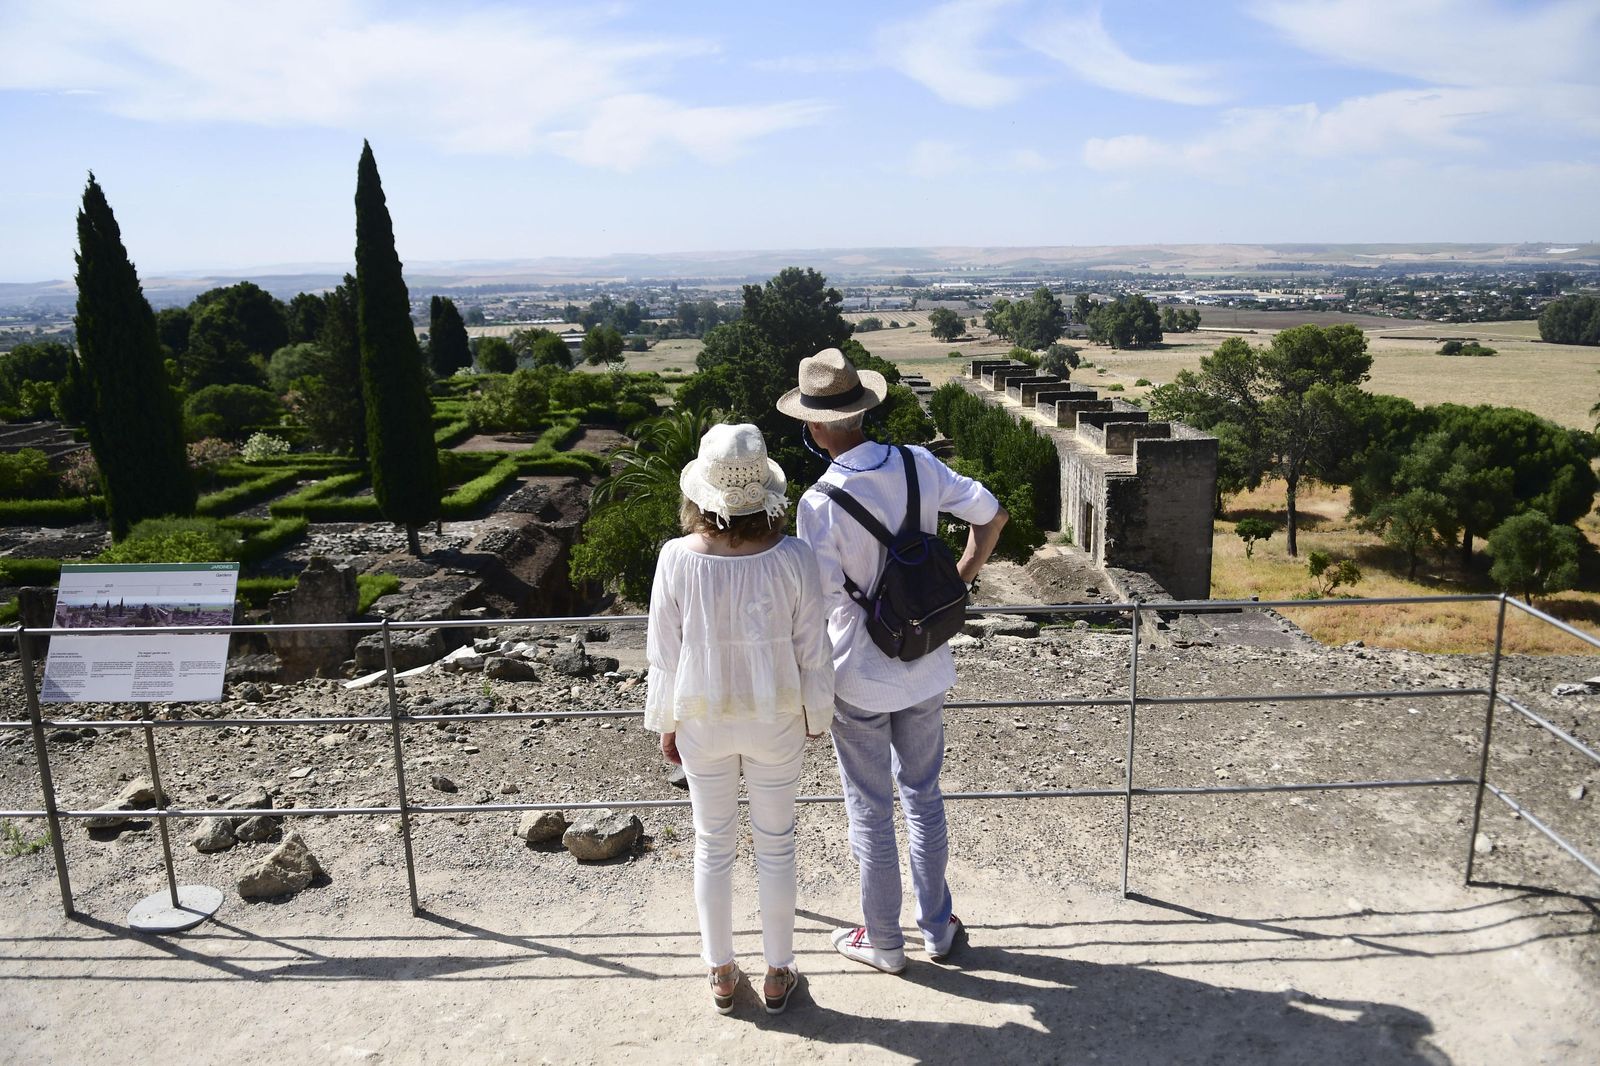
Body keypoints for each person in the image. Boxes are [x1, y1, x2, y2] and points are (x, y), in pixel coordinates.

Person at [777, 347, 1008, 974]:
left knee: (870, 811)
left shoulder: (820, 502)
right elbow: (992, 516)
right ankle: (938, 930)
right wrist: (959, 578)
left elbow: (817, 604)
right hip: (927, 660)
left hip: (857, 672)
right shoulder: (919, 462)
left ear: (817, 427)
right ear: (862, 411)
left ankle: (883, 943)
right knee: (924, 797)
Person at [645, 422, 835, 1015]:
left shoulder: (676, 559)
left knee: (712, 844)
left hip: (701, 718)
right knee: (778, 847)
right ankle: (779, 973)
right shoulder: (795, 557)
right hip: (777, 716)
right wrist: (816, 715)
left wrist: (667, 724)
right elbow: (814, 648)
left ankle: (722, 972)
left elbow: (664, 652)